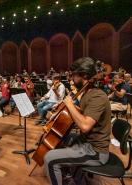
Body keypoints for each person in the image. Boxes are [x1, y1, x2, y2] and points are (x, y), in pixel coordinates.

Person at [44, 57, 111, 185]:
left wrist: (69, 104)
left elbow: (85, 125)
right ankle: (73, 176)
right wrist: (60, 110)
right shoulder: (87, 94)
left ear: (84, 75)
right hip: (86, 142)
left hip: (96, 151)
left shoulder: (98, 96)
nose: (71, 78)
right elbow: (83, 113)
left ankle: (68, 173)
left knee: (49, 159)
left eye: (74, 75)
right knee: (64, 138)